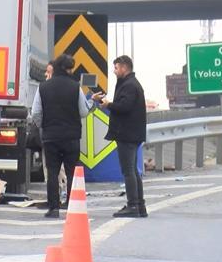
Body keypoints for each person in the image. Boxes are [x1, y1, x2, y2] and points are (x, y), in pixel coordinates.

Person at [32, 54, 93, 218]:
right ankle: (72, 206)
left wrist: (44, 126)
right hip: (71, 136)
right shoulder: (75, 87)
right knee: (71, 171)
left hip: (50, 136)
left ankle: (53, 208)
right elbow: (83, 111)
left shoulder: (43, 87)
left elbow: (36, 112)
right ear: (67, 69)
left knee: (52, 172)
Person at [93, 55, 147, 218]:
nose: (114, 71)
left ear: (124, 68)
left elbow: (125, 106)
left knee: (128, 171)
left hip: (127, 134)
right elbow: (124, 105)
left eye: (116, 68)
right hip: (132, 133)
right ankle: (139, 205)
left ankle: (133, 205)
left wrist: (108, 104)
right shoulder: (130, 84)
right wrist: (107, 103)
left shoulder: (129, 85)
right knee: (133, 170)